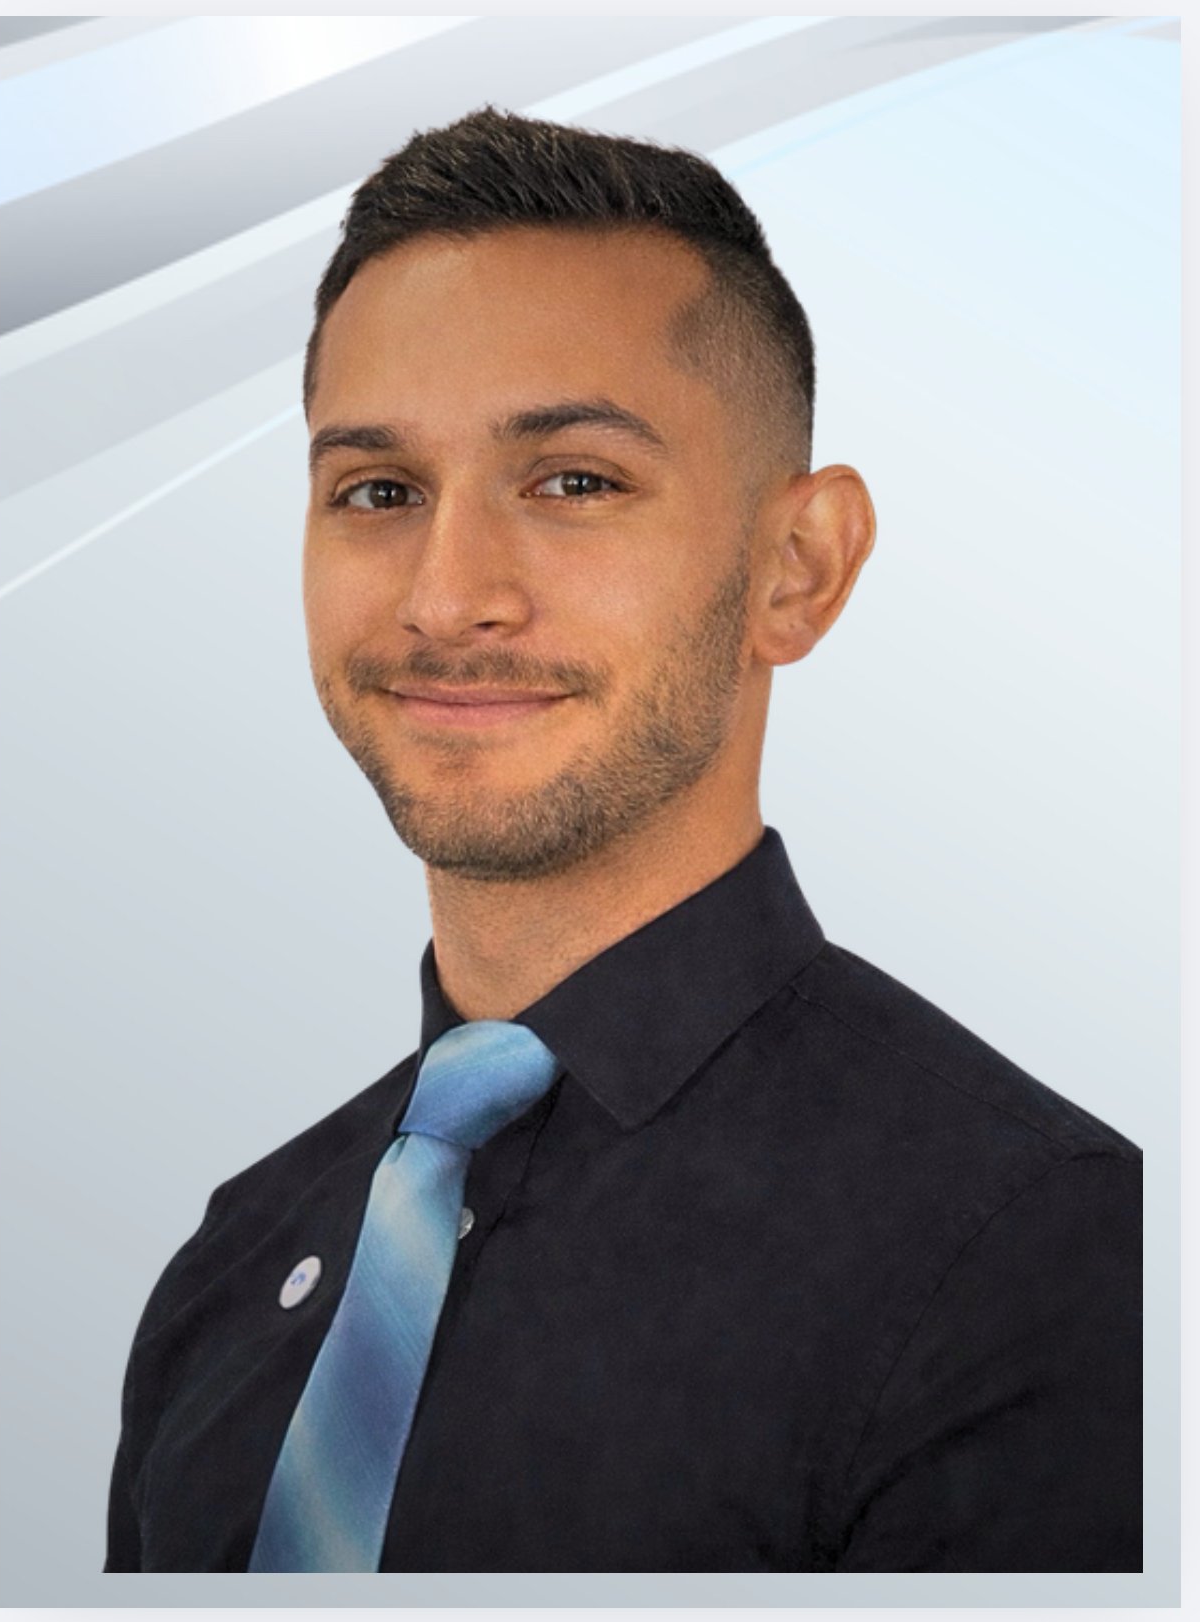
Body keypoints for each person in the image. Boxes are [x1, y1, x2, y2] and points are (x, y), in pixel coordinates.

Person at [104, 107, 1141, 1574]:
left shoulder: (1045, 1258)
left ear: (799, 567)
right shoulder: (229, 1267)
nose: (447, 596)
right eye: (378, 492)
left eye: (573, 480)